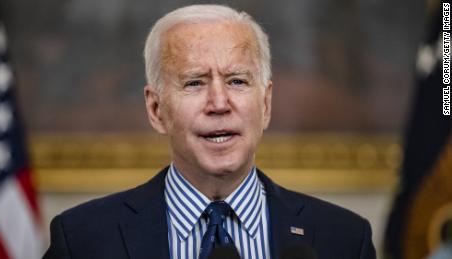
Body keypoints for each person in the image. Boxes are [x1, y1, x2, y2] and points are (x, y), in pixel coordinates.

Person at [43, 4, 376, 259]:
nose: (219, 102)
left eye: (237, 81)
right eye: (194, 83)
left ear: (266, 104)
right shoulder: (83, 239)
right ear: (156, 109)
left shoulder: (344, 238)